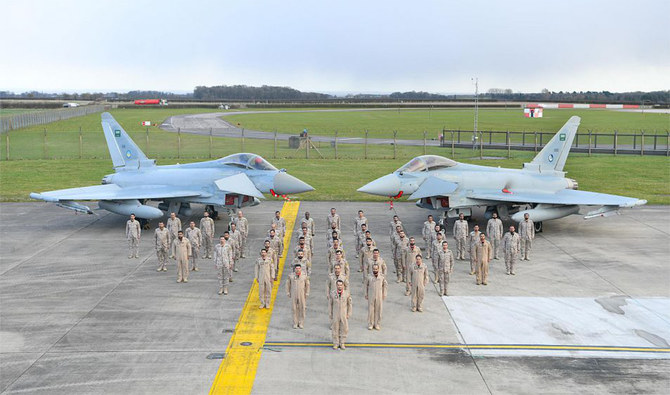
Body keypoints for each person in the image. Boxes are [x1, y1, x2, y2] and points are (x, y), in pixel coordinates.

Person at [329, 280, 352, 350]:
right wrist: (330, 313)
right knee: (335, 328)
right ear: (336, 286)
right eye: (338, 285)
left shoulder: (347, 294)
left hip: (343, 314)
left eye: (341, 285)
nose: (339, 286)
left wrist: (349, 313)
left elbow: (349, 305)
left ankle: (342, 343)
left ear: (343, 286)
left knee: (344, 328)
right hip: (335, 314)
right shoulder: (333, 294)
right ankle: (336, 343)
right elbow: (330, 304)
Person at [364, 263, 387, 330]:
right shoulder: (369, 277)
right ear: (372, 269)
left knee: (378, 309)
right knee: (371, 310)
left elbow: (385, 285)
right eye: (374, 269)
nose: (375, 270)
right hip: (371, 294)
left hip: (379, 294)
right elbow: (366, 285)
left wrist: (384, 294)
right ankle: (371, 324)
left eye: (376, 269)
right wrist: (366, 294)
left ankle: (377, 324)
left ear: (378, 269)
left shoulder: (382, 277)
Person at [286, 264, 310, 329]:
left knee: (302, 308)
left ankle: (301, 322)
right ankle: (295, 323)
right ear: (294, 269)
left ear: (301, 269)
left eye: (299, 268)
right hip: (294, 293)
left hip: (302, 294)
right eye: (296, 268)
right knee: (294, 308)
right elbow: (288, 284)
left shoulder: (304, 276)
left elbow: (307, 284)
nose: (298, 270)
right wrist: (288, 292)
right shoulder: (291, 276)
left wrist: (307, 292)